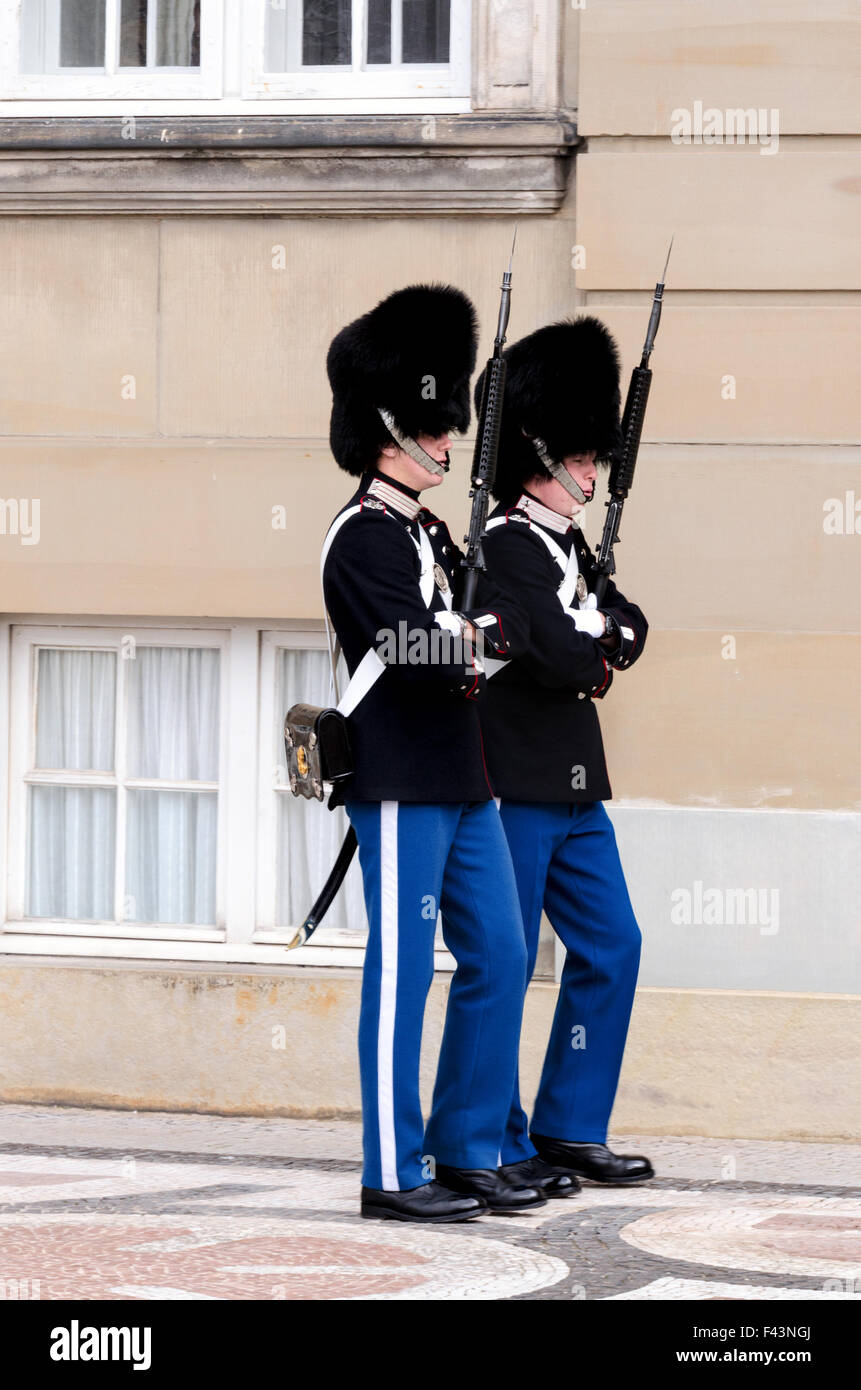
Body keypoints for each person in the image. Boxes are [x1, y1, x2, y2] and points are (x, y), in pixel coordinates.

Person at [322, 283, 550, 1223]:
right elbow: (408, 651)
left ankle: (465, 1148)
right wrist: (481, 639)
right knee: (404, 971)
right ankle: (390, 1170)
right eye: (437, 429)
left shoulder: (428, 532)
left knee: (501, 953)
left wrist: (485, 626)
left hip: (465, 778)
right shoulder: (361, 540)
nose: (450, 444)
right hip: (401, 779)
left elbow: (489, 627)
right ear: (391, 428)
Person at [475, 316, 655, 1190]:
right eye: (582, 461)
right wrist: (596, 639)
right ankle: (495, 1135)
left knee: (613, 946)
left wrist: (599, 634)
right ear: (541, 456)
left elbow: (630, 628)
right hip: (514, 785)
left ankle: (569, 1123)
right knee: (504, 965)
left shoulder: (570, 546)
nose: (593, 475)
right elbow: (566, 653)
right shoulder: (504, 545)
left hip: (579, 786)